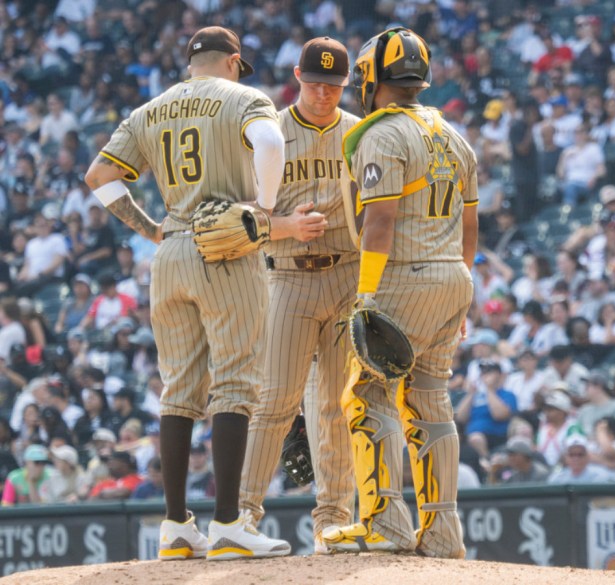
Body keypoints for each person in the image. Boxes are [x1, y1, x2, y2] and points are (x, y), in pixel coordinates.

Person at [83, 26, 291, 560]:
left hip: (171, 248)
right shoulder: (245, 97)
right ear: (233, 61)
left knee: (177, 390)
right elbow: (269, 141)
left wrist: (151, 227)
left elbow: (99, 175)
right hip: (227, 248)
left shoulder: (149, 110)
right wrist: (264, 210)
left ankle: (176, 525)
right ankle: (227, 524)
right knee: (234, 385)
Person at [322, 27, 478, 559]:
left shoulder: (381, 135)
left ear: (371, 78)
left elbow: (380, 220)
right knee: (431, 402)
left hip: (401, 279)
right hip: (453, 276)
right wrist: (462, 296)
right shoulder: (455, 136)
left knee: (367, 394)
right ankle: (442, 532)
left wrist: (365, 296)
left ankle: (384, 522)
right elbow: (470, 225)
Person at [239, 36, 359, 556]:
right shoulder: (270, 134)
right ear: (296, 76)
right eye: (315, 84)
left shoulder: (358, 133)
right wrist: (286, 226)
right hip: (286, 274)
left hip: (347, 275)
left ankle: (333, 521)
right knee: (275, 402)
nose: (324, 94)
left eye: (333, 86)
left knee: (336, 404)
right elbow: (238, 216)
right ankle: (241, 514)